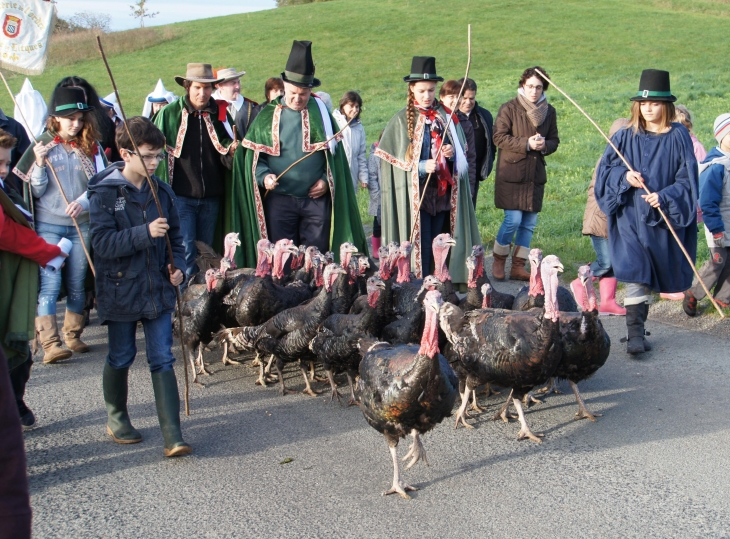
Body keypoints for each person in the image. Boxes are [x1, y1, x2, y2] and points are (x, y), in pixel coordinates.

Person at [88, 116, 191, 457]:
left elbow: (176, 238)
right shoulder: (104, 194)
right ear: (125, 153)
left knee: (162, 357)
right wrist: (144, 233)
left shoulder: (162, 190)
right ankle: (117, 417)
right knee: (121, 355)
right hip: (120, 290)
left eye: (159, 156)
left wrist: (177, 269)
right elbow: (101, 244)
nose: (154, 163)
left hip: (159, 289)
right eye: (147, 156)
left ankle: (173, 435)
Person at [232, 40, 367, 266]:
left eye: (303, 93)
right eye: (293, 92)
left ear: (310, 90)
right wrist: (264, 177)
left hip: (315, 202)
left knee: (315, 260)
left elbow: (335, 158)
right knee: (282, 260)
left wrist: (325, 180)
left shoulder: (322, 114)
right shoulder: (266, 115)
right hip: (280, 200)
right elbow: (254, 158)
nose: (297, 98)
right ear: (284, 85)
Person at [595, 69, 698, 356]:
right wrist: (624, 178)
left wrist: (664, 196)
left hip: (660, 220)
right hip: (629, 216)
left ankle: (640, 327)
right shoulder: (625, 136)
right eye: (644, 103)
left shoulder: (678, 136)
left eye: (654, 103)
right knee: (636, 271)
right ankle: (635, 335)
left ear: (666, 106)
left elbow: (687, 178)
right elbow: (606, 171)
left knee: (653, 274)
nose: (648, 108)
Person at [14, 86, 108, 364]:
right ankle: (50, 343)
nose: (76, 124)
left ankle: (73, 335)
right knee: (50, 284)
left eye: (80, 119)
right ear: (55, 119)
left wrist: (83, 201)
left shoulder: (90, 146)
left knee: (78, 283)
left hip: (82, 225)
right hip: (49, 227)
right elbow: (36, 191)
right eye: (70, 119)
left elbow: (99, 185)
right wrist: (41, 164)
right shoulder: (41, 145)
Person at [375, 56, 480, 282]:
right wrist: (422, 166)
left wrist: (450, 155)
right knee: (419, 245)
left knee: (440, 245)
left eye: (431, 90)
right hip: (415, 200)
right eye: (422, 90)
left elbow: (462, 158)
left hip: (442, 199)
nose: (427, 95)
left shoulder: (446, 117)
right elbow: (394, 165)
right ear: (412, 89)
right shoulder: (400, 121)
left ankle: (440, 285)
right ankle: (415, 286)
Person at [1, 129, 66, 431]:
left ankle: (14, 400)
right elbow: (6, 232)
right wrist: (47, 251)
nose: (5, 170)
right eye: (0, 164)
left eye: (5, 163)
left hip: (11, 276)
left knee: (19, 350)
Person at [153, 63, 236, 282]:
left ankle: (203, 300)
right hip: (181, 197)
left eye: (207, 88)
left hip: (211, 197)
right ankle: (184, 301)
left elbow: (227, 145)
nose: (202, 93)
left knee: (206, 252)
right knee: (186, 251)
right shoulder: (169, 114)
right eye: (198, 87)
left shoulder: (220, 113)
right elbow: (155, 151)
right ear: (188, 87)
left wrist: (233, 150)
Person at [491, 66, 560, 281]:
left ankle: (518, 266)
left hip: (534, 175)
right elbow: (498, 137)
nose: (534, 91)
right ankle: (499, 260)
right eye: (530, 86)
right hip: (512, 172)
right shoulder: (509, 108)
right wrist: (527, 143)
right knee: (512, 220)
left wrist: (544, 145)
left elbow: (555, 141)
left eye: (539, 87)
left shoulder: (549, 111)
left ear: (544, 88)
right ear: (523, 85)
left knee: (529, 223)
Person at [571, 119, 629, 316]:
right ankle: (580, 282)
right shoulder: (610, 159)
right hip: (600, 217)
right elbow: (608, 189)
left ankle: (608, 301)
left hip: (613, 219)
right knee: (606, 262)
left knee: (615, 261)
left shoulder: (625, 158)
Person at [683, 113, 730, 316]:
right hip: (718, 225)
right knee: (717, 261)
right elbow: (708, 202)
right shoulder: (716, 166)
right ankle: (694, 292)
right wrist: (717, 229)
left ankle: (723, 298)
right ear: (721, 137)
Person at [458, 77, 496, 207]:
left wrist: (486, 165)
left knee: (470, 211)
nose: (468, 102)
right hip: (453, 173)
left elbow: (491, 143)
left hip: (473, 173)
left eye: (472, 98)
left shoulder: (484, 116)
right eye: (464, 97)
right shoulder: (450, 116)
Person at [439, 80, 477, 206]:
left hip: (458, 183)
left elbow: (470, 158)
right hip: (437, 184)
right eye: (451, 96)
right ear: (441, 97)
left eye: (458, 96)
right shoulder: (434, 120)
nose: (456, 100)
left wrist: (470, 187)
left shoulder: (464, 124)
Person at [332, 91, 368, 191]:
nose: (354, 109)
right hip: (336, 173)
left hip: (352, 174)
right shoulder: (333, 122)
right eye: (351, 106)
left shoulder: (359, 127)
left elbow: (361, 154)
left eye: (357, 106)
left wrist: (363, 177)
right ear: (343, 106)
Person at [212, 67, 258, 140]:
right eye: (233, 83)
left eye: (238, 82)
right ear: (220, 86)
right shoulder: (210, 105)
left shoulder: (250, 106)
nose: (238, 86)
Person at [0, 107, 30, 194]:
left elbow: (27, 164)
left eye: (7, 165)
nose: (5, 170)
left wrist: (14, 185)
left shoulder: (14, 127)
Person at [367, 131, 383, 258]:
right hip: (379, 196)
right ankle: (376, 249)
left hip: (390, 196)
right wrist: (376, 194)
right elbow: (372, 177)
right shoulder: (374, 156)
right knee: (377, 223)